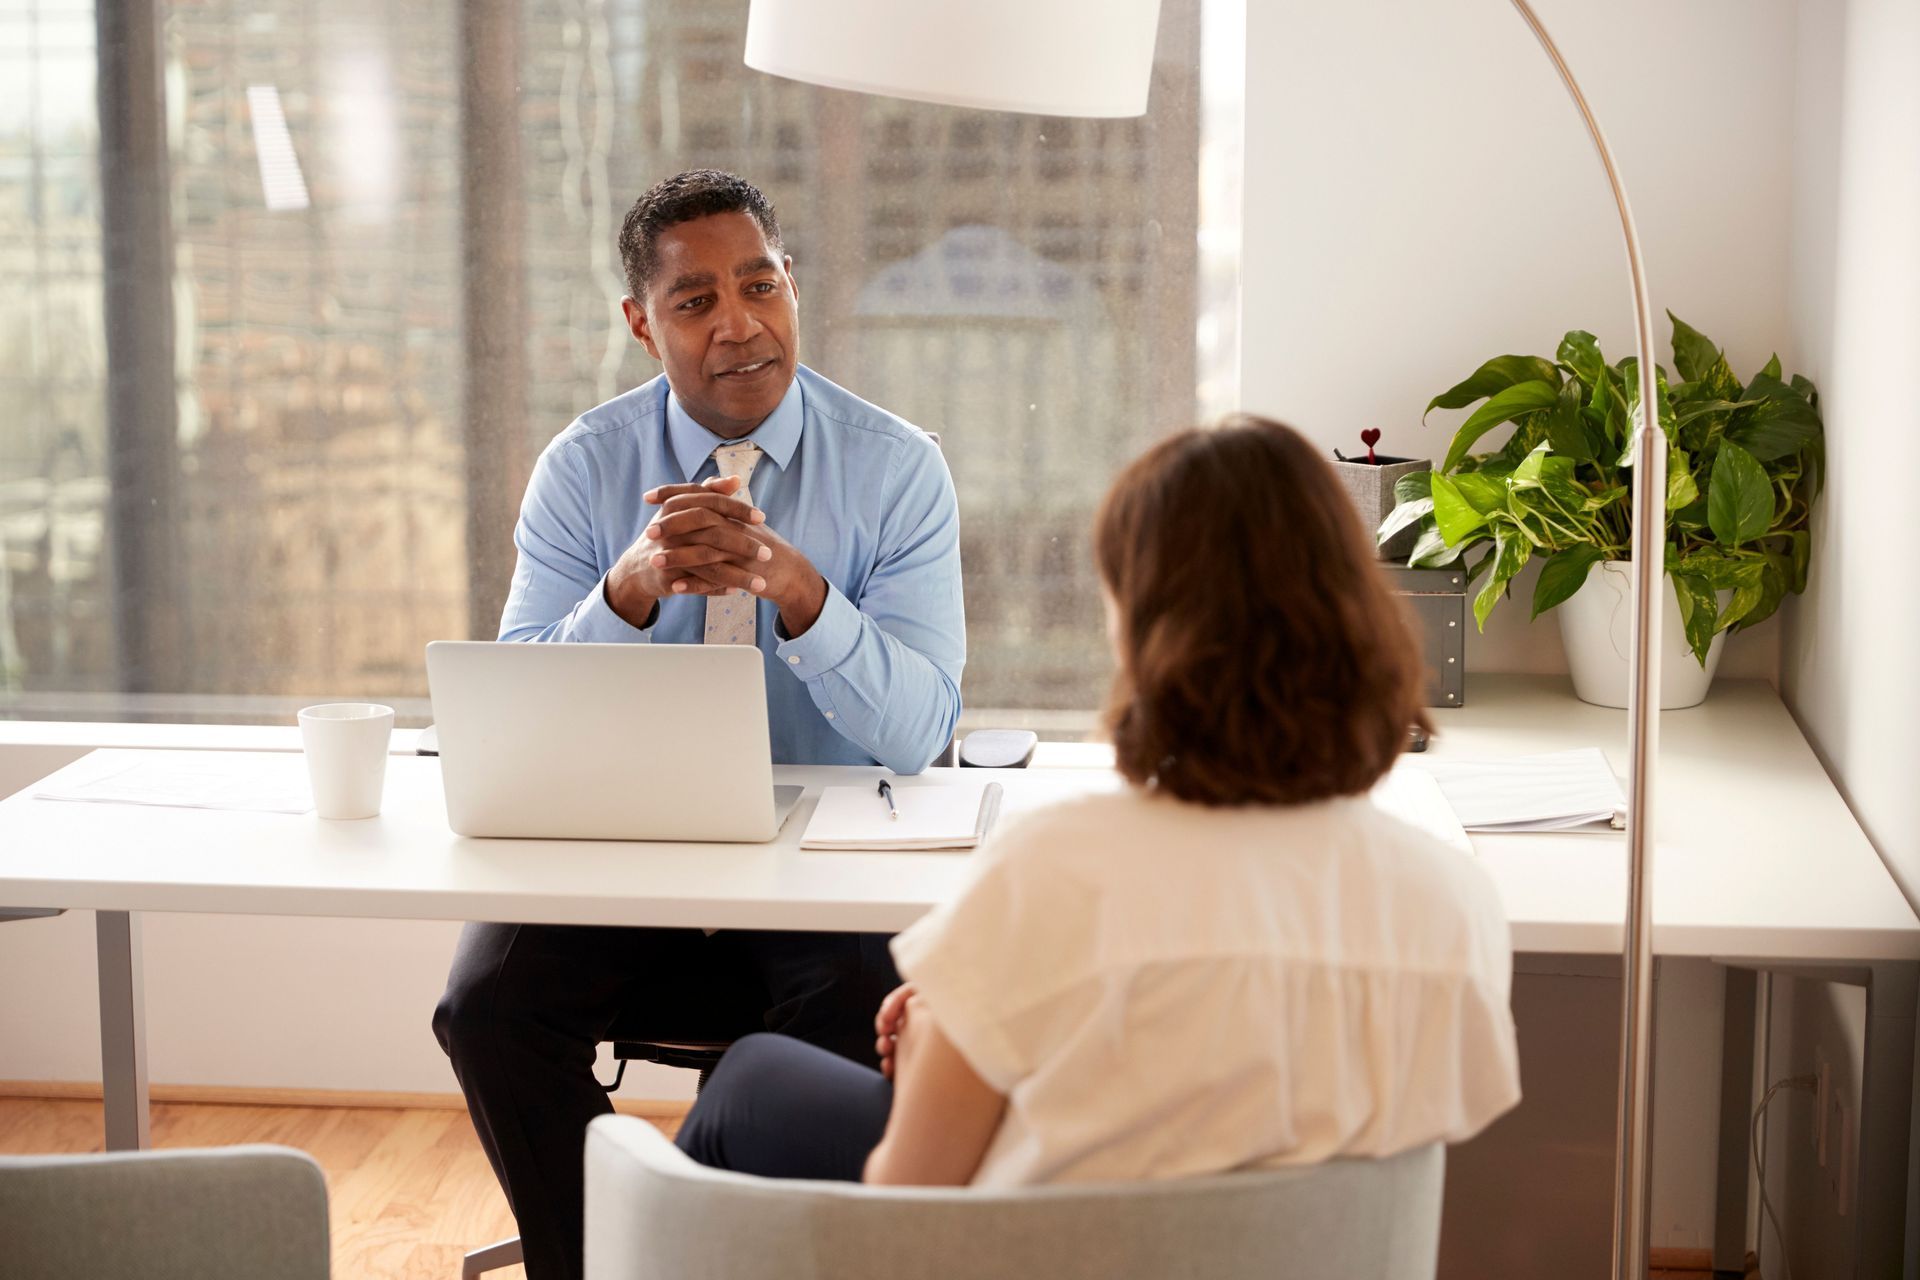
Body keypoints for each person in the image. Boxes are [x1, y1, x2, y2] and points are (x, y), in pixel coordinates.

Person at [674, 415, 1521, 1188]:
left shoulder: (1059, 867)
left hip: (1059, 1244)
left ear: (1149, 628)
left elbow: (909, 1201)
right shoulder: (1453, 902)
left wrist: (942, 1034)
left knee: (749, 1082)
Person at [433, 169, 965, 1280]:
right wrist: (626, 595)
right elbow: (517, 708)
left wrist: (807, 598)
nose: (739, 323)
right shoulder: (585, 468)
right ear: (641, 322)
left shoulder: (899, 468)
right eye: (694, 301)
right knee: (485, 1007)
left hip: (822, 876)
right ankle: (597, 1262)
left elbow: (920, 729)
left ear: (793, 288)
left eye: (760, 284)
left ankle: (746, 1260)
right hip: (628, 860)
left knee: (852, 1019)